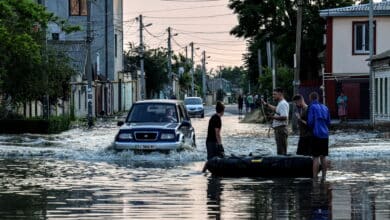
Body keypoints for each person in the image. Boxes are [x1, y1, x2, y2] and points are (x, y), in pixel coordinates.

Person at [307, 92, 331, 180]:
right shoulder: (325, 107)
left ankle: (315, 177)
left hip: (316, 134)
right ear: (318, 98)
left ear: (310, 98)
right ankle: (324, 176)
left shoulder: (312, 107)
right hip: (325, 135)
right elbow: (329, 122)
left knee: (316, 157)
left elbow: (310, 122)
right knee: (323, 156)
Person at [262, 88, 289, 155]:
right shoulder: (281, 103)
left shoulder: (283, 104)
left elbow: (285, 117)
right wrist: (266, 104)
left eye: (275, 94)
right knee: (280, 149)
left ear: (280, 94)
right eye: (273, 94)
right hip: (279, 129)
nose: (273, 96)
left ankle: (282, 164)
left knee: (281, 151)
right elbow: (276, 109)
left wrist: (272, 117)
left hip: (281, 129)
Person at [202, 101, 225, 172]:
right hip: (212, 142)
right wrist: (220, 145)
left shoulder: (213, 117)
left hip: (210, 141)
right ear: (222, 111)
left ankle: (204, 172)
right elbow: (217, 133)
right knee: (212, 160)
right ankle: (203, 172)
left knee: (213, 159)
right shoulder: (217, 119)